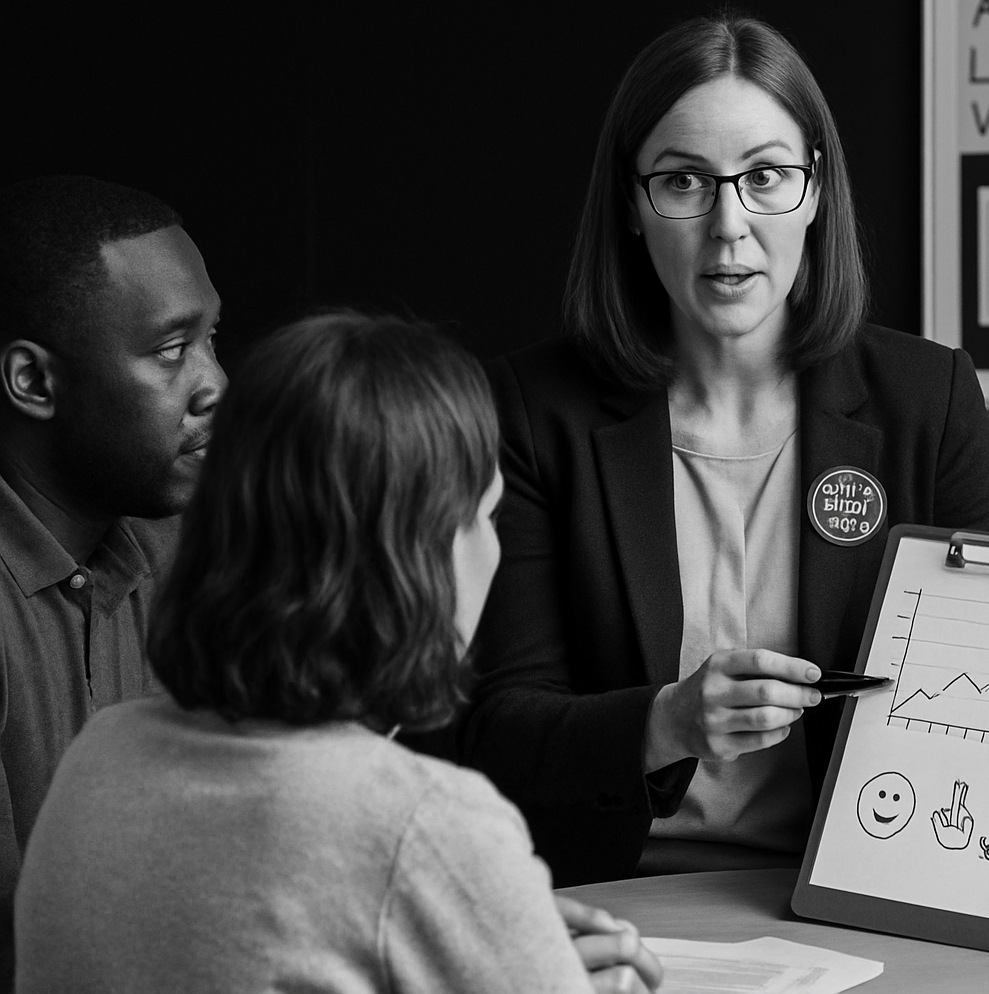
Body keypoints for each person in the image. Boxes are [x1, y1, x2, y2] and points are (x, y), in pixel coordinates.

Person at [453, 14, 989, 885]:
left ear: (816, 190)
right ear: (632, 206)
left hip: (858, 890)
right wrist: (666, 723)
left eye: (766, 176)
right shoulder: (530, 409)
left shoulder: (928, 399)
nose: (729, 226)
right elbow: (499, 732)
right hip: (614, 895)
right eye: (683, 181)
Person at [15, 313, 662, 994]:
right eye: (485, 516)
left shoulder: (99, 755)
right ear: (426, 557)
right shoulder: (429, 826)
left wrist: (485, 938)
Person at [0, 174, 224, 980]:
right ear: (34, 383)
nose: (214, 383)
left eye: (212, 339)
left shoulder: (185, 551)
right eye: (172, 351)